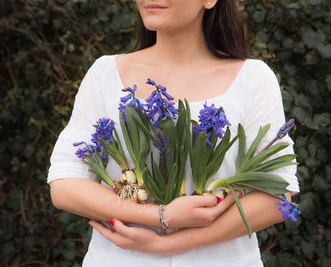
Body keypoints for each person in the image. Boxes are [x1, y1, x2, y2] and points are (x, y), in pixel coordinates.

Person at [47, 0, 300, 266]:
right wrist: (161, 215)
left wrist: (168, 243)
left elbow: (277, 195)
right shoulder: (105, 74)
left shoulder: (252, 78)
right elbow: (65, 185)